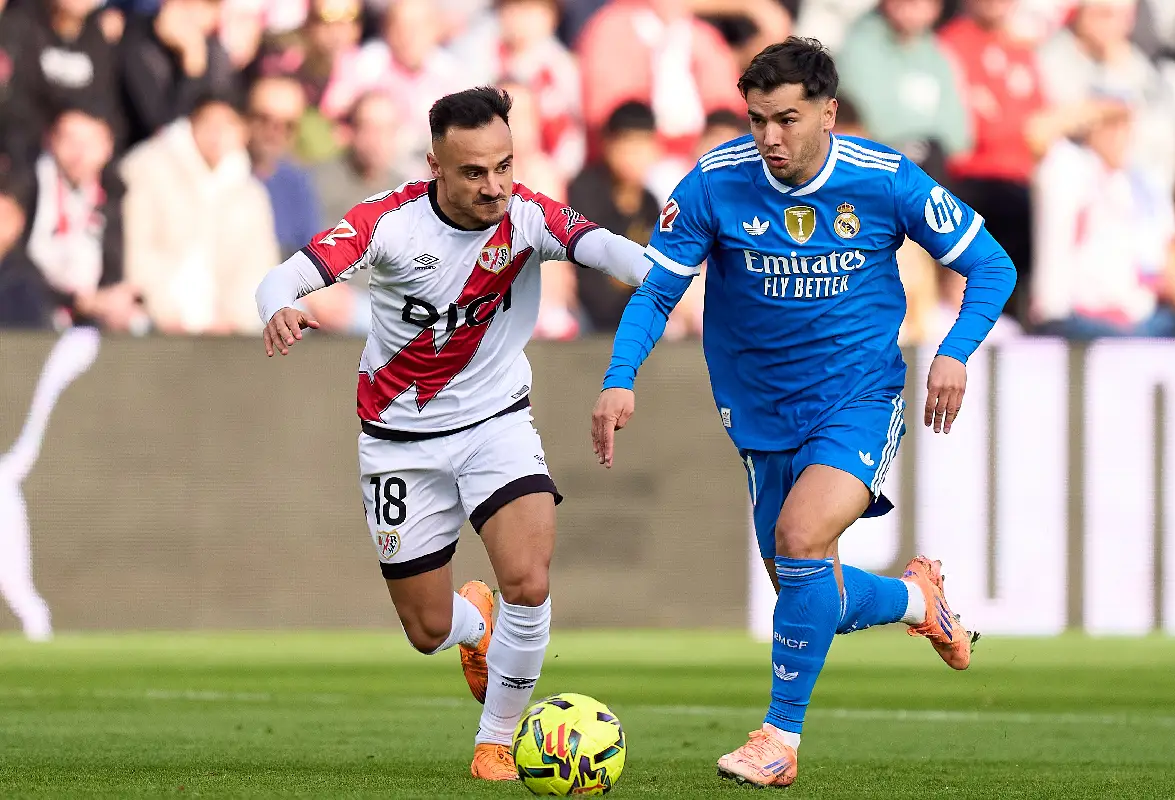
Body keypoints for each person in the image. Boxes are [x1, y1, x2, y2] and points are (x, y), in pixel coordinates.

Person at [589, 37, 1016, 787]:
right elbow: (658, 291)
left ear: (827, 111)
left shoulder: (882, 180)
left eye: (786, 119)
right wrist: (620, 376)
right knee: (804, 587)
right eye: (756, 120)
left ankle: (777, 741)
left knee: (799, 537)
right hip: (758, 415)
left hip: (858, 397)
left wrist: (953, 351)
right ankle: (920, 600)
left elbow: (992, 264)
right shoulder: (714, 184)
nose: (769, 138)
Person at [253, 86, 649, 781]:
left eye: (504, 165)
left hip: (496, 421)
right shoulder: (388, 222)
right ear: (435, 164)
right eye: (474, 172)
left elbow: (613, 251)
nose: (494, 186)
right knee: (427, 630)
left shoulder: (528, 215)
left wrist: (681, 274)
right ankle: (475, 628)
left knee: (528, 579)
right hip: (398, 440)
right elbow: (282, 277)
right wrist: (278, 308)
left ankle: (496, 741)